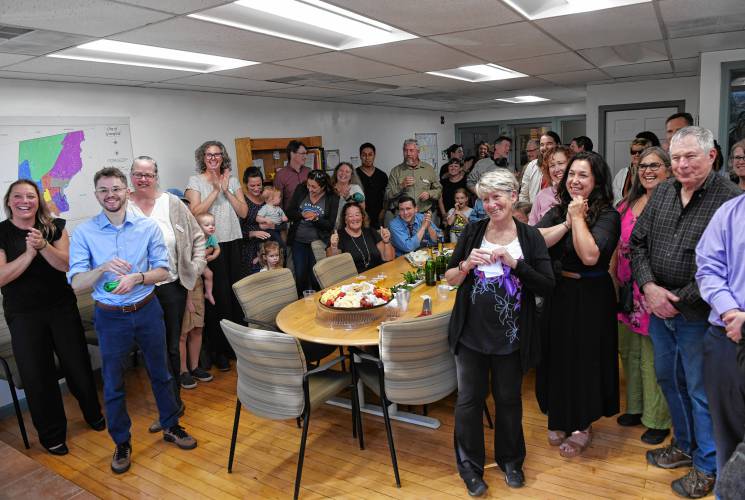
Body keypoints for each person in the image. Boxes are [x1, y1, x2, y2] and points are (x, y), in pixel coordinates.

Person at [630, 126, 741, 499]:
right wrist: (648, 288)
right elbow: (637, 243)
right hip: (659, 312)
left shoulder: (729, 199)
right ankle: (684, 446)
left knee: (699, 392)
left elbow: (719, 268)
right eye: (675, 157)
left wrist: (674, 299)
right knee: (670, 382)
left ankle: (707, 466)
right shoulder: (662, 192)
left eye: (690, 156)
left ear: (711, 156)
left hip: (697, 317)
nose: (681, 164)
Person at [69, 167, 197, 475]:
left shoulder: (147, 227)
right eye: (103, 190)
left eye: (115, 189)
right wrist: (101, 269)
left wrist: (138, 277)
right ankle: (122, 442)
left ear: (127, 192)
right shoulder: (85, 233)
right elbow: (76, 283)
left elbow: (163, 271)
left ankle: (170, 425)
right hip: (110, 317)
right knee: (113, 384)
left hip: (147, 309)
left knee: (162, 374)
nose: (110, 195)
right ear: (97, 194)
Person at [446, 170, 555, 494]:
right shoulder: (473, 231)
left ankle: (511, 461)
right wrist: (466, 265)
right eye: (485, 199)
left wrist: (514, 263)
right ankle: (470, 467)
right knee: (468, 401)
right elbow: (450, 277)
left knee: (508, 401)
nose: (492, 204)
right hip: (471, 335)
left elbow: (548, 285)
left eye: (497, 197)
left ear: (512, 195)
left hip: (512, 338)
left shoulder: (530, 237)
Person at [0, 179, 103, 456]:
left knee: (78, 365)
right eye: (18, 196)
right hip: (23, 316)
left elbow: (66, 265)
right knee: (37, 375)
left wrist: (44, 245)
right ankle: (52, 435)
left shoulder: (55, 226)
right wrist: (29, 253)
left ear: (38, 201)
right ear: (9, 202)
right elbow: (2, 277)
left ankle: (93, 414)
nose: (25, 201)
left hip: (61, 309)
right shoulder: (1, 233)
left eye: (31, 196)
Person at [536, 151, 621, 459]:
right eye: (572, 174)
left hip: (590, 296)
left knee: (584, 360)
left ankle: (581, 427)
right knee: (556, 357)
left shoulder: (609, 215)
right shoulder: (559, 210)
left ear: (596, 180)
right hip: (558, 292)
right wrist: (567, 222)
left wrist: (578, 218)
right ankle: (559, 418)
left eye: (583, 175)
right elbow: (536, 241)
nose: (575, 180)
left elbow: (590, 255)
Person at [128, 156, 208, 422]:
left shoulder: (172, 204)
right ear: (131, 176)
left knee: (172, 348)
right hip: (140, 291)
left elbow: (197, 237)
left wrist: (193, 269)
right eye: (137, 174)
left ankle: (174, 404)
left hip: (173, 288)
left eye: (148, 174)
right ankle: (165, 406)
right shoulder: (124, 208)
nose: (143, 179)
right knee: (152, 350)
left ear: (156, 176)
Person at [612, 147, 672, 445]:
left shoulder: (672, 203)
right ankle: (635, 407)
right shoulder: (626, 204)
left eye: (655, 165)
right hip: (625, 291)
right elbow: (614, 247)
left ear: (668, 170)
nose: (648, 170)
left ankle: (657, 419)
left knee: (654, 358)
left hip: (654, 291)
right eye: (643, 166)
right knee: (629, 353)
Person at [696, 187, 745, 488]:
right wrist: (730, 312)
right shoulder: (730, 212)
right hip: (727, 338)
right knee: (728, 437)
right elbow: (708, 268)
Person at [185, 140, 248, 372]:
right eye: (209, 155)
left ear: (223, 157)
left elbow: (243, 211)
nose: (213, 158)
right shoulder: (195, 181)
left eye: (217, 155)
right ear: (203, 157)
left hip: (234, 241)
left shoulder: (231, 180)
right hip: (212, 246)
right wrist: (214, 191)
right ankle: (219, 351)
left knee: (234, 297)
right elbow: (194, 212)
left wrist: (227, 190)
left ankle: (236, 347)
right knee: (218, 299)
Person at [287, 169, 339, 295]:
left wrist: (315, 218)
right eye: (308, 185)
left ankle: (320, 300)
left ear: (323, 187)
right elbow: (289, 212)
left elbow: (329, 225)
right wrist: (302, 214)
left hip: (318, 241)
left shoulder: (332, 197)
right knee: (300, 274)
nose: (310, 189)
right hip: (298, 239)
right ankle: (303, 302)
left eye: (314, 187)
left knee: (316, 274)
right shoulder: (301, 189)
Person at [327, 202, 394, 273]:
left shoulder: (371, 231)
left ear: (362, 217)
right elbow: (334, 265)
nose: (354, 218)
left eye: (357, 214)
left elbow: (388, 258)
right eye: (350, 216)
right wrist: (334, 247)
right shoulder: (338, 236)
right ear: (345, 219)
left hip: (378, 275)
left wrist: (386, 242)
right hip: (354, 279)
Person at [384, 138, 441, 215]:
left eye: (411, 150)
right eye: (405, 150)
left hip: (424, 214)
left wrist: (429, 193)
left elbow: (439, 190)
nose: (408, 153)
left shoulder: (429, 169)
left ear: (418, 152)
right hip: (403, 215)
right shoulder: (396, 171)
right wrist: (401, 186)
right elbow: (387, 195)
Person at [240, 166, 274, 274]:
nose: (256, 188)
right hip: (249, 249)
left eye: (259, 185)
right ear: (246, 184)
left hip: (268, 247)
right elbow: (235, 230)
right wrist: (252, 233)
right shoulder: (242, 201)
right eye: (252, 185)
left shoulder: (266, 199)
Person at [528, 146, 571, 225]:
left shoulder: (579, 193)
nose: (557, 169)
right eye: (552, 166)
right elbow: (531, 230)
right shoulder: (542, 196)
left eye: (560, 163)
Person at [520, 131, 560, 204]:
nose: (545, 147)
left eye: (549, 144)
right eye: (542, 145)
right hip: (535, 212)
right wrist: (527, 213)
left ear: (557, 145)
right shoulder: (532, 166)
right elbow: (524, 195)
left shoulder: (564, 166)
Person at [356, 143, 388, 229]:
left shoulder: (382, 175)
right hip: (360, 216)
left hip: (379, 217)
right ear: (360, 156)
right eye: (364, 155)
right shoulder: (354, 175)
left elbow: (387, 195)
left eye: (370, 154)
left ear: (374, 155)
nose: (367, 158)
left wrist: (384, 211)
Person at [274, 140, 311, 212]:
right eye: (302, 153)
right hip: (290, 219)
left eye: (306, 154)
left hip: (310, 216)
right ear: (292, 154)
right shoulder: (280, 175)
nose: (305, 157)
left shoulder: (309, 172)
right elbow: (278, 203)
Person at [613, 138, 650, 205]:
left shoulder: (651, 173)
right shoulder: (622, 173)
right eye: (633, 152)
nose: (636, 154)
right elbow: (614, 194)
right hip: (623, 211)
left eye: (640, 151)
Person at [195, 213, 218, 305]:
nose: (211, 227)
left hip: (203, 263)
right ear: (199, 227)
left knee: (209, 274)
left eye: (213, 225)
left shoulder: (211, 237)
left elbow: (217, 249)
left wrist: (214, 256)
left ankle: (208, 293)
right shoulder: (196, 237)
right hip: (193, 263)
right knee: (192, 280)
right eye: (207, 225)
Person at [438, 158, 468, 224]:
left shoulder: (466, 181)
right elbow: (440, 199)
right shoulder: (443, 182)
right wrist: (444, 214)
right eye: (451, 166)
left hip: (464, 215)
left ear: (460, 168)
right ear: (448, 168)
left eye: (456, 166)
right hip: (447, 215)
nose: (453, 168)